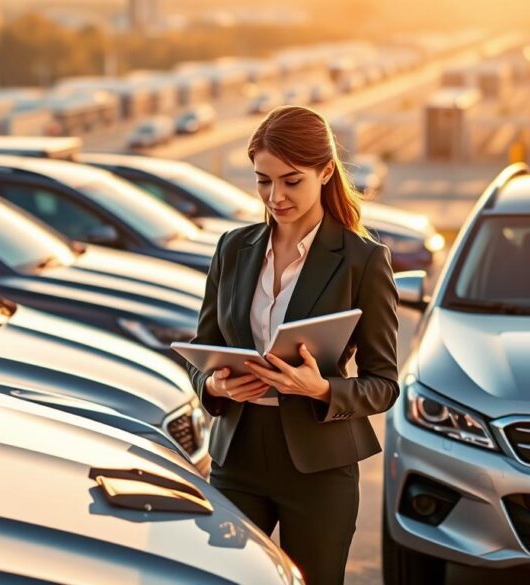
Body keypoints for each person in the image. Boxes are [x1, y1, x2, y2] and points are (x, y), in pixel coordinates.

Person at [186, 105, 400, 584]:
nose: (275, 196)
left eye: (291, 181)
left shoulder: (362, 261)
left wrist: (321, 389)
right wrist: (215, 386)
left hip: (318, 468)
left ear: (325, 172)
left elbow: (383, 385)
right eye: (263, 181)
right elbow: (203, 351)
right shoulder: (232, 248)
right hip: (236, 458)